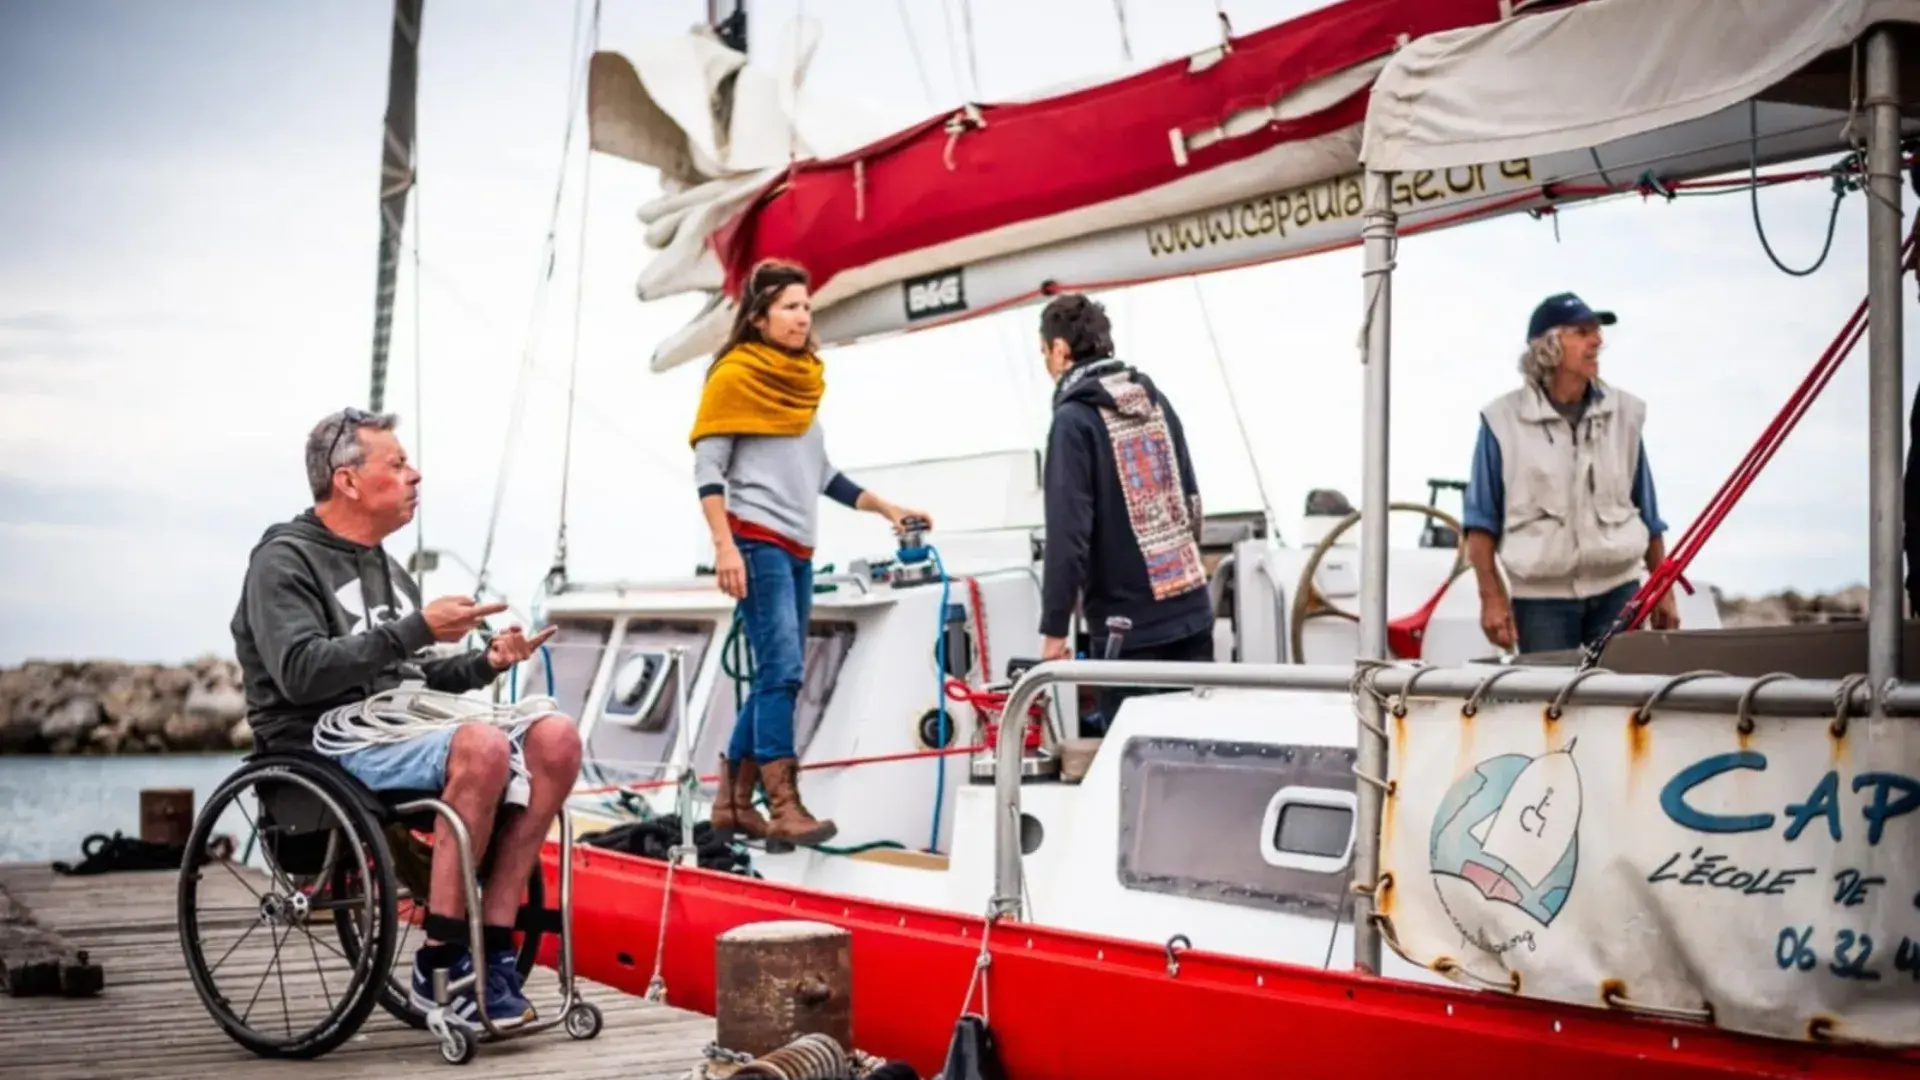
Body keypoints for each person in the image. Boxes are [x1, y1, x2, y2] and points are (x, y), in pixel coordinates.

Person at [231, 407, 581, 1027]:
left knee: (556, 739)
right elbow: (300, 672)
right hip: (321, 742)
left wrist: (486, 663)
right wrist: (416, 627)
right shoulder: (283, 561)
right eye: (397, 464)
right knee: (481, 748)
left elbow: (411, 674)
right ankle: (442, 963)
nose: (415, 475)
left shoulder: (388, 569)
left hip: (398, 726)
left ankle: (494, 949)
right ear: (348, 480)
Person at [691, 258, 930, 847]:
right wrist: (725, 547)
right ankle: (784, 806)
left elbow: (821, 473)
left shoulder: (798, 384)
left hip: (798, 546)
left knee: (779, 674)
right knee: (784, 673)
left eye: (807, 307)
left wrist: (886, 508)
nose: (803, 317)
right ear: (761, 315)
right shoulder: (735, 376)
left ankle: (731, 803)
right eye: (792, 307)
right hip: (756, 543)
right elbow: (708, 467)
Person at [1462, 292, 1678, 656]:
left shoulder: (1625, 414)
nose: (1597, 341)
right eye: (1581, 332)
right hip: (1540, 603)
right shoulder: (1501, 422)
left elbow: (1648, 513)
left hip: (1619, 591)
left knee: (1621, 705)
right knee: (1549, 708)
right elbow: (1480, 522)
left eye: (1596, 332)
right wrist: (1491, 597)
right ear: (1546, 347)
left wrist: (1663, 588)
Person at [1034, 292, 1212, 731]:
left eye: (1043, 352)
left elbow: (1068, 536)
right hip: (1192, 615)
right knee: (1195, 759)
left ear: (1060, 350)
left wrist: (1055, 631)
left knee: (1140, 776)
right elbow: (1191, 504)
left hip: (1127, 632)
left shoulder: (1074, 421)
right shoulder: (1156, 402)